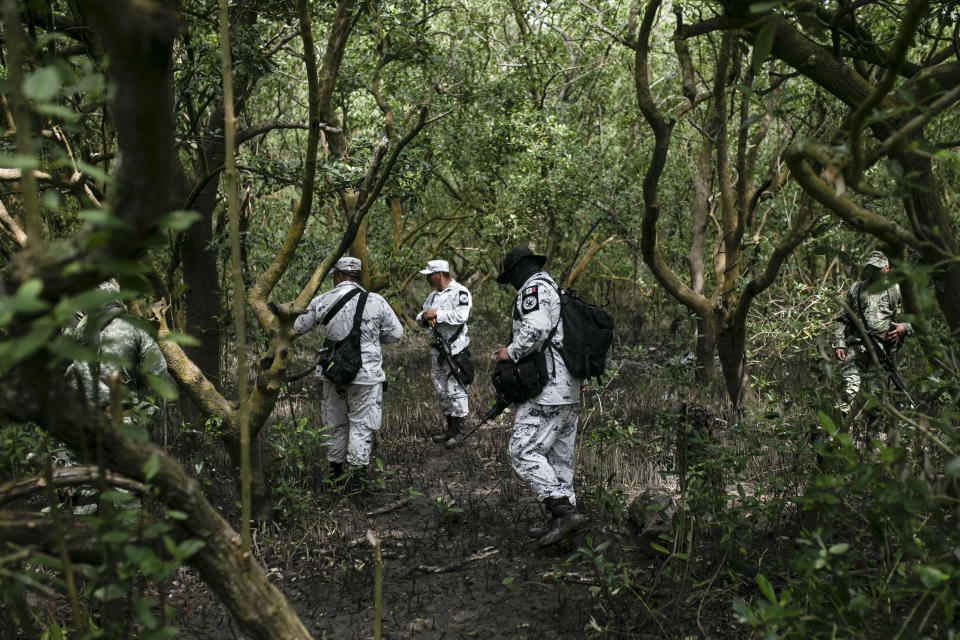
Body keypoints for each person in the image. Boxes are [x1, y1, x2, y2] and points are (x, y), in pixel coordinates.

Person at [494, 246, 586, 547]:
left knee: (522, 450)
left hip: (549, 390)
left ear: (518, 270)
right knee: (559, 460)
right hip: (569, 388)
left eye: (510, 278)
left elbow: (536, 328)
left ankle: (562, 512)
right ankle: (565, 530)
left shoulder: (533, 288)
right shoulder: (555, 289)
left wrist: (511, 351)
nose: (512, 284)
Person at [294, 257, 403, 491]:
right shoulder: (377, 301)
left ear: (338, 276)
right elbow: (396, 334)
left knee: (335, 423)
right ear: (357, 276)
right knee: (362, 425)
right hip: (367, 374)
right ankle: (356, 481)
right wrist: (371, 339)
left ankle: (334, 475)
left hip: (333, 374)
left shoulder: (323, 299)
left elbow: (299, 326)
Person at [832, 250, 912, 422]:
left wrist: (905, 327)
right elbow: (842, 318)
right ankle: (834, 436)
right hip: (856, 348)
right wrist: (839, 343)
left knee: (877, 401)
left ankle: (872, 442)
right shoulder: (856, 288)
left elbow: (913, 318)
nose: (873, 271)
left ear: (886, 268)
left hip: (882, 352)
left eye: (877, 268)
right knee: (848, 390)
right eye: (871, 268)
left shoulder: (896, 291)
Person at [416, 259, 474, 448]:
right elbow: (421, 315)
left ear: (439, 275)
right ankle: (449, 428)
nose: (427, 279)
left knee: (456, 389)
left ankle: (459, 431)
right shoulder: (432, 296)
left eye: (429, 275)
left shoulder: (460, 292)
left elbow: (461, 316)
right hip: (437, 350)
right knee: (441, 390)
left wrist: (437, 315)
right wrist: (425, 316)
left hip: (456, 349)